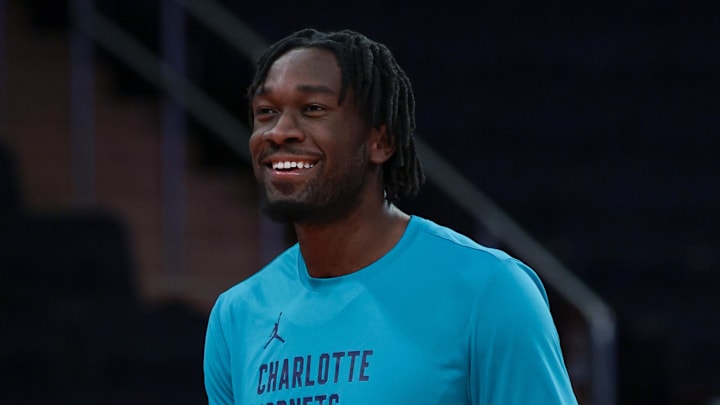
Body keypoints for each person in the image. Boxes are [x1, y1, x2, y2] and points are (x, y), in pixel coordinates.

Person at [203, 28, 578, 405]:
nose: (279, 132)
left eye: (313, 108)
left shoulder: (490, 291)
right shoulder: (236, 315)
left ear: (381, 142)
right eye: (266, 112)